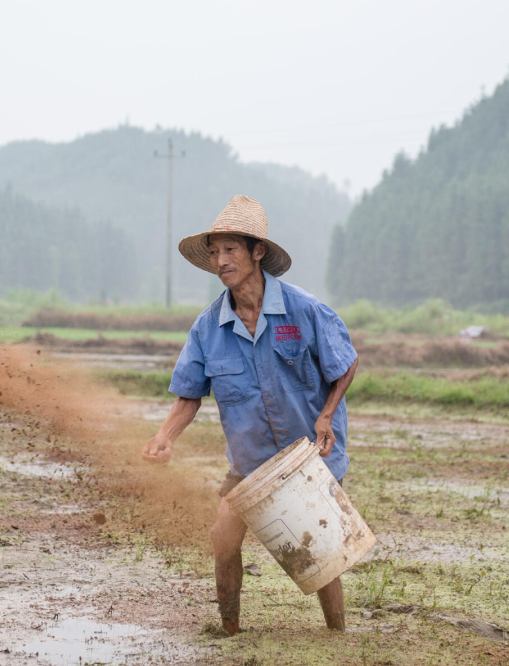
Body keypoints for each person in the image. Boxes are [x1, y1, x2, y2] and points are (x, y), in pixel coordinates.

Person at [141, 195, 359, 634]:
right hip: (250, 464)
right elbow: (188, 395)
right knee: (223, 536)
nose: (221, 261)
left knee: (317, 549)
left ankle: (337, 631)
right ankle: (229, 629)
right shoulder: (208, 328)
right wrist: (165, 437)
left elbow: (346, 362)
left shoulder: (304, 310)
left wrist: (326, 416)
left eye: (230, 250)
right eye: (215, 252)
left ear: (257, 252)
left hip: (307, 456)